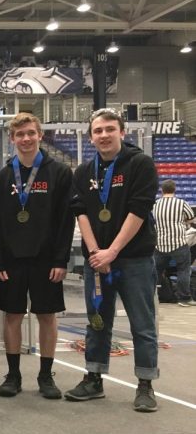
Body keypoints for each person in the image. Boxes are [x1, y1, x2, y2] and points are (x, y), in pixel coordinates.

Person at [67, 108, 160, 412]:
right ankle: (94, 379)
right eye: (98, 131)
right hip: (98, 260)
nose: (104, 135)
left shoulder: (140, 165)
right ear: (91, 136)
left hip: (134, 259)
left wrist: (113, 251)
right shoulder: (83, 172)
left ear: (123, 132)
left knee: (142, 325)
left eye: (110, 129)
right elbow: (80, 212)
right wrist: (96, 253)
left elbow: (139, 210)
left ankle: (145, 384)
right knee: (97, 322)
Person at [0, 114, 74, 399]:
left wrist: (61, 260)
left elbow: (66, 221)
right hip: (11, 260)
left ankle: (45, 375)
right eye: (19, 135)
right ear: (12, 139)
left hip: (47, 259)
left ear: (40, 135)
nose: (25, 139)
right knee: (12, 315)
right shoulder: (2, 178)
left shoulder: (60, 173)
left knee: (46, 316)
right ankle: (13, 375)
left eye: (30, 133)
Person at [153, 179, 195, 307]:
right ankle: (184, 298)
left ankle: (155, 296)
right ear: (174, 189)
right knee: (183, 270)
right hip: (178, 243)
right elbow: (191, 218)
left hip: (159, 244)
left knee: (156, 271)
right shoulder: (181, 203)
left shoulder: (155, 204)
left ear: (162, 190)